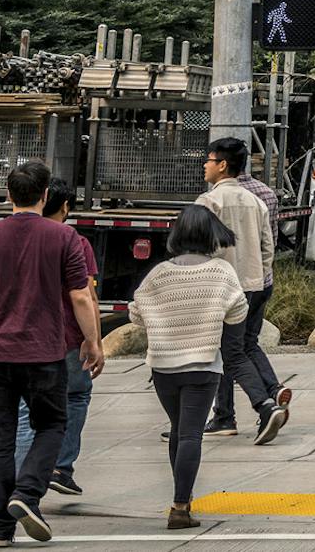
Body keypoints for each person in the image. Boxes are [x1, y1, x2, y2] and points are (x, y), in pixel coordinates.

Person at [0, 161, 105, 548]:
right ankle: (27, 493)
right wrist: (93, 341)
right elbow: (81, 295)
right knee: (52, 424)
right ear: (46, 194)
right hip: (43, 351)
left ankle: (0, 530)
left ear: (8, 194)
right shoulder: (63, 238)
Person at [129, 205, 248, 530]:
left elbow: (137, 314)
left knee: (178, 429)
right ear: (212, 235)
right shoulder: (221, 271)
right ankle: (180, 506)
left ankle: (183, 497)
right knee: (192, 434)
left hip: (164, 366)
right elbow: (238, 311)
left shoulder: (159, 273)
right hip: (204, 363)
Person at [195, 139, 286, 445]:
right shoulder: (255, 201)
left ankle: (265, 405)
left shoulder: (209, 203)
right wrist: (256, 279)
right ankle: (226, 416)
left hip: (221, 290)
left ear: (222, 164)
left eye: (208, 160)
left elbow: (198, 252)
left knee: (231, 353)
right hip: (252, 285)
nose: (204, 165)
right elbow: (267, 248)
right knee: (237, 348)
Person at [12, 186, 95, 498]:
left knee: (25, 409)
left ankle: (23, 486)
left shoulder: (8, 237)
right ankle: (61, 466)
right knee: (76, 395)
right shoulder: (74, 241)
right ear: (64, 207)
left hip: (23, 338)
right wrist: (94, 339)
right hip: (67, 336)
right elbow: (84, 296)